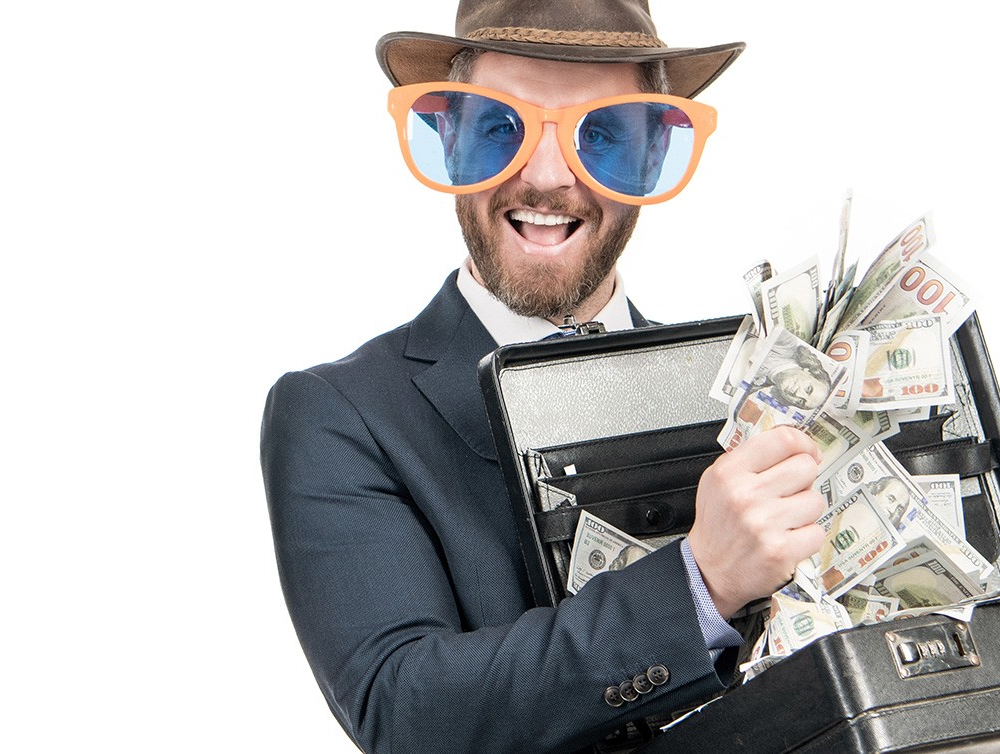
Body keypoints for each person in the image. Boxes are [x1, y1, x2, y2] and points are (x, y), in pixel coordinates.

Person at [259, 2, 827, 752]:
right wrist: (701, 584)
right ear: (450, 139)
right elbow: (405, 712)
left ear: (652, 157)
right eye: (500, 127)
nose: (547, 177)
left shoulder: (746, 394)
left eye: (602, 137)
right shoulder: (340, 415)